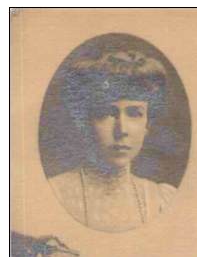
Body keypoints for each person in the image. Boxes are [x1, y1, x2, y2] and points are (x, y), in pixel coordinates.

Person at [47, 46, 176, 232]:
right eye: (106, 113)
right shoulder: (56, 193)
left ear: (147, 124)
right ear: (85, 121)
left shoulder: (162, 199)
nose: (121, 130)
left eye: (134, 113)